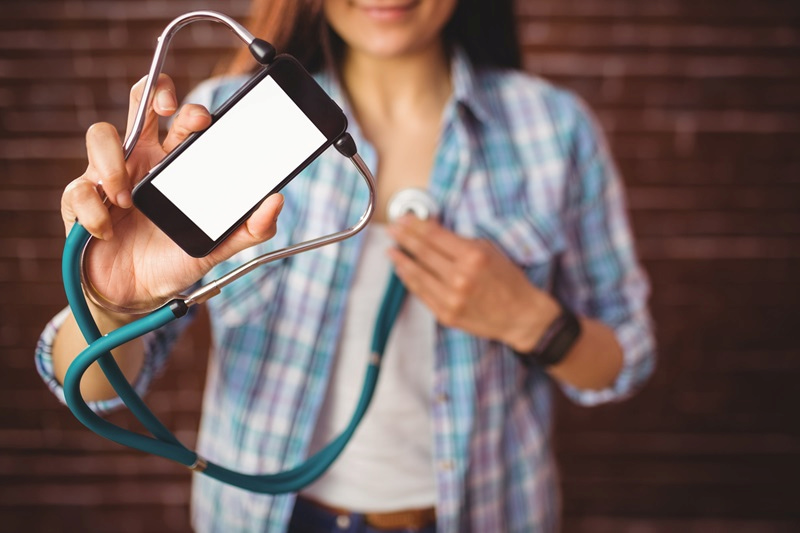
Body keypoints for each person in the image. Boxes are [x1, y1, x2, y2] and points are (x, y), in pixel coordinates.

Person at [36, 0, 656, 531]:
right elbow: (93, 389)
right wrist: (113, 297)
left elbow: (622, 360)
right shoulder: (223, 123)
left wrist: (531, 321)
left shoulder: (553, 129)